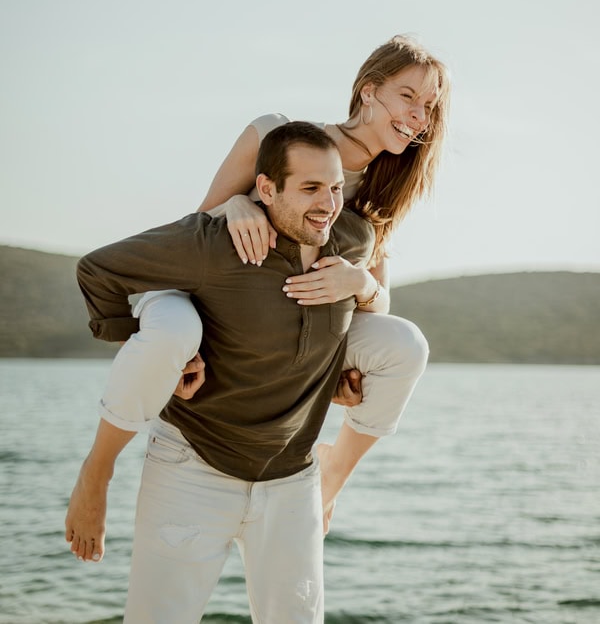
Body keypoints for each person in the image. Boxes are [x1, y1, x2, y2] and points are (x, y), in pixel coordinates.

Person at [66, 34, 449, 564]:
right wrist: (236, 207)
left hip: (283, 322)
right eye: (408, 96)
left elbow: (377, 304)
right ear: (368, 92)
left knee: (405, 343)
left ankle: (332, 475)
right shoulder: (276, 133)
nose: (418, 115)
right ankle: (98, 469)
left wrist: (357, 288)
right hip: (192, 290)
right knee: (174, 332)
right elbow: (199, 222)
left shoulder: (382, 190)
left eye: (428, 106)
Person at [72, 122, 380, 622]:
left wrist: (346, 353)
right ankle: (95, 473)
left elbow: (369, 314)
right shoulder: (213, 243)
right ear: (265, 189)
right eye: (309, 188)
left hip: (291, 479)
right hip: (192, 467)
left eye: (335, 187)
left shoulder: (353, 240)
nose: (327, 203)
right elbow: (96, 270)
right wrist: (162, 354)